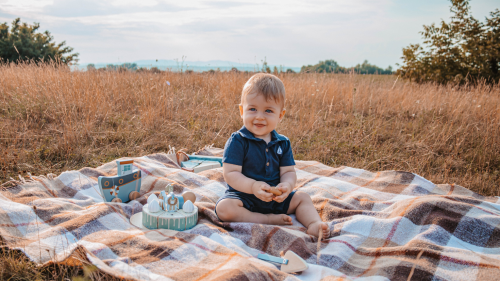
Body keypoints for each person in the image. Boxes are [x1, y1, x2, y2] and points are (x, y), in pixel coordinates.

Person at [215, 73, 329, 239]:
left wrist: (287, 186)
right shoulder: (238, 141)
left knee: (302, 198)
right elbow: (230, 174)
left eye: (268, 110)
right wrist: (253, 187)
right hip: (245, 198)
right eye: (252, 109)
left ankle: (313, 224)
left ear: (280, 115)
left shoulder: (282, 143)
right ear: (242, 110)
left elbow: (288, 172)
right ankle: (265, 219)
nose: (259, 116)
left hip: (276, 199)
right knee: (224, 208)